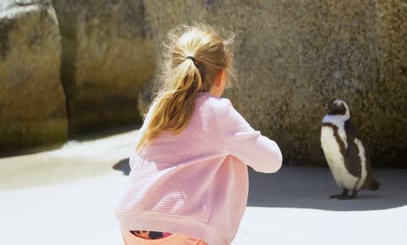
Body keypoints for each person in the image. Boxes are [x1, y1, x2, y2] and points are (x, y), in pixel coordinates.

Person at [114, 24, 283, 245]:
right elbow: (271, 161)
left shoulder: (159, 108)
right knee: (229, 156)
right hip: (186, 231)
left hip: (133, 226)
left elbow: (136, 159)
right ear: (221, 76)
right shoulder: (217, 111)